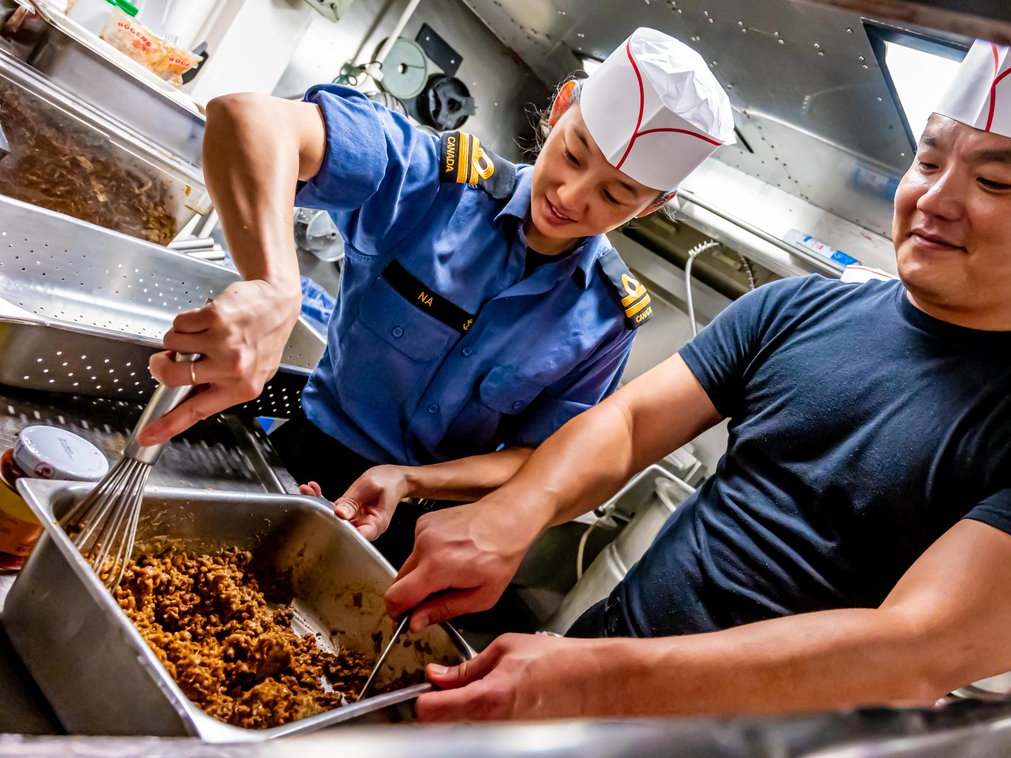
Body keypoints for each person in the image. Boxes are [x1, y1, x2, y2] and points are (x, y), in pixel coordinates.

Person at [383, 40, 1011, 721]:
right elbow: (626, 426)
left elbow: (909, 650)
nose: (935, 200)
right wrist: (517, 510)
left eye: (995, 183)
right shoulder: (799, 308)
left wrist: (598, 679)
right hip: (582, 678)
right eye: (929, 159)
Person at [137, 28, 734, 556]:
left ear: (654, 206)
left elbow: (537, 460)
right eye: (573, 154)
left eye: (615, 195)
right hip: (294, 457)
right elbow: (246, 120)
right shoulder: (434, 182)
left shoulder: (606, 318)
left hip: (413, 524)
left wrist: (412, 480)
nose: (573, 197)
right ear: (560, 108)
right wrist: (274, 283)